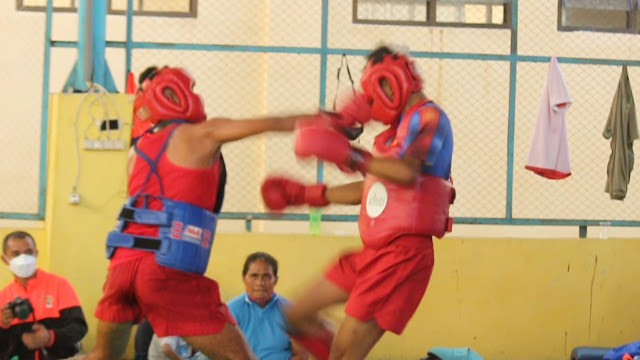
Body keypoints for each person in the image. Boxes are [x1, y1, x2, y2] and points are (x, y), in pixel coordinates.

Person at [75, 66, 307, 360]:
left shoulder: (137, 150)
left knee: (100, 355)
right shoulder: (203, 133)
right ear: (176, 95)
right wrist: (326, 122)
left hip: (120, 269)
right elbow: (271, 121)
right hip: (165, 270)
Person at [260, 46, 455, 360]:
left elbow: (405, 173)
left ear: (392, 83)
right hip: (373, 253)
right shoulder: (390, 138)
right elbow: (372, 188)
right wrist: (308, 195)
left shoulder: (430, 117)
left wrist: (348, 154)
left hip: (401, 257)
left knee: (343, 353)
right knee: (295, 316)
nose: (371, 104)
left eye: (374, 93)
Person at [0, 231, 88, 360]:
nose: (23, 258)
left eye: (28, 252)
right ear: (5, 259)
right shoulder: (3, 296)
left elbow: (79, 328)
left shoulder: (59, 285)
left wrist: (50, 337)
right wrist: (3, 325)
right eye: (16, 254)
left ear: (36, 254)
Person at [227, 252, 308, 360]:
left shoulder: (291, 312)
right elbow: (224, 354)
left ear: (275, 280)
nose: (260, 282)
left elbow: (301, 356)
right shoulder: (231, 310)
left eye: (266, 276)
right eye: (254, 276)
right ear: (244, 278)